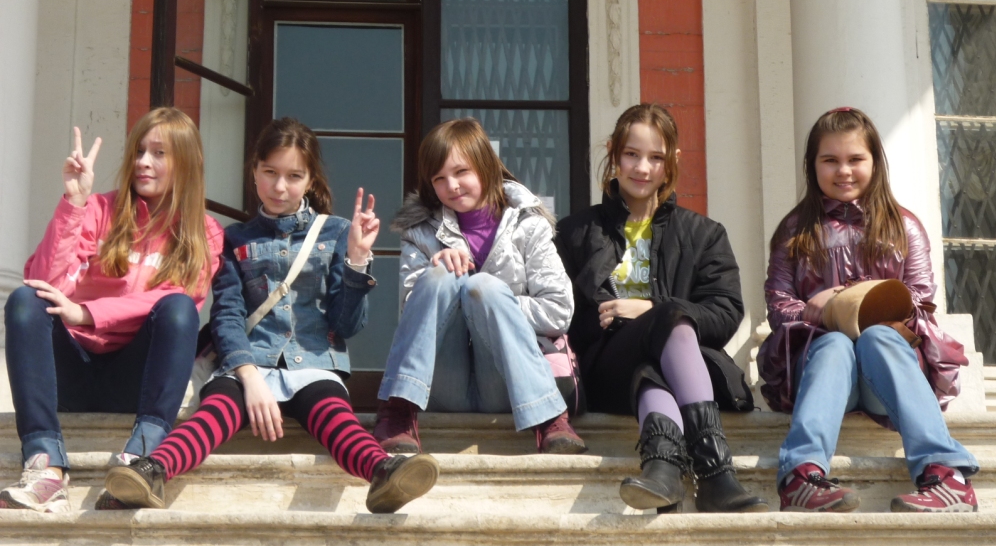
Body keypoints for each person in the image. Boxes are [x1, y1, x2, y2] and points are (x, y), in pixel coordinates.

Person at [104, 118, 438, 513]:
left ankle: (382, 471)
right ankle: (152, 471)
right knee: (213, 413)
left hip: (314, 363)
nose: (280, 186)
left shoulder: (336, 232)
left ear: (310, 180)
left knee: (337, 418)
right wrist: (249, 377)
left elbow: (347, 324)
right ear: (254, 172)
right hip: (247, 364)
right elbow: (227, 316)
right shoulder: (234, 238)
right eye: (270, 172)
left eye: (294, 176)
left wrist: (357, 259)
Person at [1, 108, 224, 513]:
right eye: (139, 151)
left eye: (159, 153)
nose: (143, 162)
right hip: (71, 373)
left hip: (136, 381)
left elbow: (180, 298)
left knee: (178, 310)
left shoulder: (204, 232)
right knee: (24, 300)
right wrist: (74, 202)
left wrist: (87, 313)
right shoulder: (99, 210)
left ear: (186, 162)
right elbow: (45, 283)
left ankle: (142, 459)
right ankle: (45, 466)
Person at [758, 107, 979, 512]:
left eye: (855, 159)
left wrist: (844, 297)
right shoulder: (795, 231)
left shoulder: (903, 226)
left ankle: (947, 475)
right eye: (830, 160)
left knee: (879, 336)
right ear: (812, 165)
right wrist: (829, 318)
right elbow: (779, 307)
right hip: (822, 376)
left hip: (888, 376)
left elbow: (920, 301)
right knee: (835, 344)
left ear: (875, 162)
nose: (844, 171)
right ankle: (801, 476)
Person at [555, 104, 766, 513]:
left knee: (655, 361)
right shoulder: (575, 233)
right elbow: (563, 317)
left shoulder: (705, 234)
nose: (642, 168)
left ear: (672, 162)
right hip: (606, 367)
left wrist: (651, 309)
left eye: (656, 157)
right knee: (665, 325)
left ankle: (663, 471)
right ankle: (716, 473)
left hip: (680, 366)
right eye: (632, 154)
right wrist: (621, 318)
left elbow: (725, 314)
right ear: (614, 153)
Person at [372, 118, 585, 455]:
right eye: (439, 178)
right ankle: (398, 410)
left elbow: (559, 311)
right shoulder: (419, 232)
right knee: (441, 274)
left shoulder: (528, 224)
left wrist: (487, 299)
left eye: (461, 172)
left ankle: (549, 419)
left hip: (510, 382)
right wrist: (439, 271)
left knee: (484, 287)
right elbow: (412, 318)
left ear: (486, 166)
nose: (452, 186)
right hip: (443, 383)